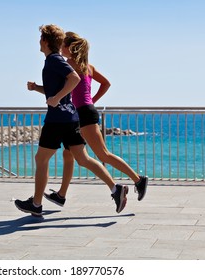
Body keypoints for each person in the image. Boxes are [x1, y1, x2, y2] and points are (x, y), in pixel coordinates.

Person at [14, 24, 129, 216]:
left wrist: (56, 99)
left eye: (40, 39)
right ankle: (116, 189)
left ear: (45, 41)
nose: (39, 42)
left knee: (41, 159)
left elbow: (74, 79)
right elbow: (61, 87)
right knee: (83, 159)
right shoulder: (56, 61)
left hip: (57, 119)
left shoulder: (54, 60)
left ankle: (36, 204)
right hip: (71, 118)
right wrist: (37, 89)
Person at [43, 32, 148, 208]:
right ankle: (61, 195)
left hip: (83, 114)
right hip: (83, 112)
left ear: (69, 48)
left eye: (63, 45)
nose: (60, 48)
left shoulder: (69, 65)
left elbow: (57, 89)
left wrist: (38, 88)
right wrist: (92, 101)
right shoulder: (88, 67)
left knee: (102, 154)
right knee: (67, 154)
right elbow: (106, 83)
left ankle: (138, 180)